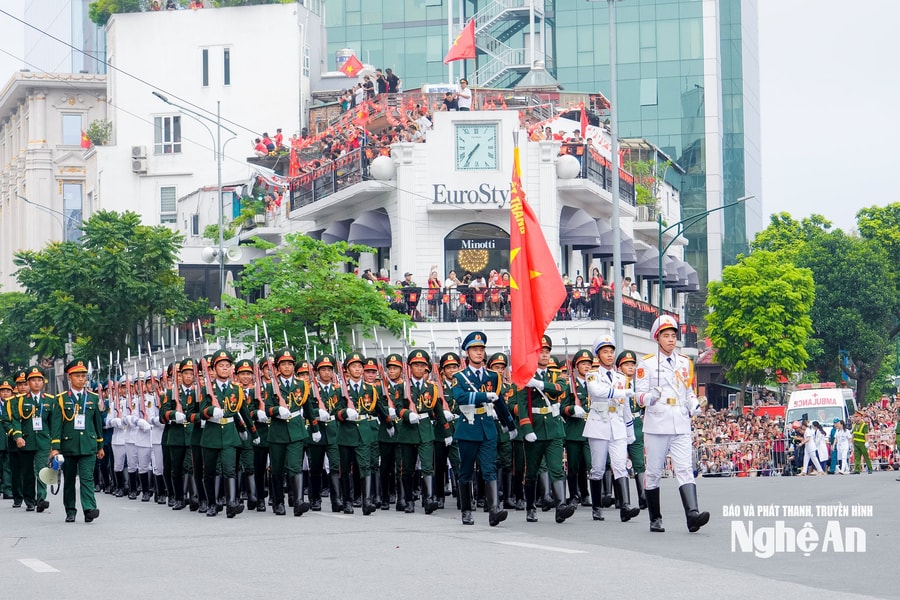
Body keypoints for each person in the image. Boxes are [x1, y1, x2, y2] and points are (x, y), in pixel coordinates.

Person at [634, 315, 710, 533]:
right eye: (665, 336)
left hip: (679, 420)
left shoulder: (685, 362)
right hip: (657, 421)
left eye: (673, 335)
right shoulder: (647, 363)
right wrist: (650, 397)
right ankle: (655, 518)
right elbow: (638, 396)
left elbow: (687, 391)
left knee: (685, 469)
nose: (670, 340)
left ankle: (692, 515)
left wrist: (695, 404)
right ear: (657, 338)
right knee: (654, 472)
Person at [452, 331, 517, 526]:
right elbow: (460, 397)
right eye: (475, 349)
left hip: (487, 427)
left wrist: (509, 424)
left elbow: (499, 402)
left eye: (481, 349)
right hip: (468, 427)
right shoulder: (460, 377)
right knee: (465, 470)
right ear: (467, 353)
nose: (479, 353)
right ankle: (466, 511)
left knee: (490, 468)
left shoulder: (493, 376)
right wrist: (483, 396)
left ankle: (494, 510)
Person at [513, 335, 576, 524]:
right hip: (535, 428)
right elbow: (521, 403)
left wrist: (540, 384)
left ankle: (561, 507)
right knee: (531, 471)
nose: (545, 355)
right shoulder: (525, 375)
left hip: (554, 428)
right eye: (541, 351)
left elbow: (560, 388)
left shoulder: (556, 374)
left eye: (547, 351)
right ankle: (531, 507)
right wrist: (526, 427)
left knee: (557, 468)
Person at [584, 336, 640, 523]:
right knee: (598, 468)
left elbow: (625, 408)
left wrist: (630, 431)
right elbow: (596, 392)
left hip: (617, 425)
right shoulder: (592, 375)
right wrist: (621, 392)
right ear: (598, 355)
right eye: (605, 352)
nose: (609, 355)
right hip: (599, 424)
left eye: (611, 351)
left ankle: (625, 506)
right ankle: (597, 507)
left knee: (620, 466)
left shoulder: (620, 378)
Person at [200, 350, 258, 518]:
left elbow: (244, 413)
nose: (224, 369)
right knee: (210, 472)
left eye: (227, 366)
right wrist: (211, 410)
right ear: (214, 368)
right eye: (221, 366)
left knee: (229, 470)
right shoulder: (206, 389)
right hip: (211, 433)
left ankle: (231, 503)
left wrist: (253, 433)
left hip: (230, 435)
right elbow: (200, 412)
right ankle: (212, 503)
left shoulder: (236, 390)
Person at [264, 349, 320, 517]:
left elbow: (308, 408)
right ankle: (279, 503)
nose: (287, 367)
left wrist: (315, 428)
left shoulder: (302, 385)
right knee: (277, 469)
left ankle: (298, 502)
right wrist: (276, 410)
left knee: (295, 467)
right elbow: (267, 409)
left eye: (289, 364)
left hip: (296, 430)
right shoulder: (271, 385)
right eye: (283, 364)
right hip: (278, 432)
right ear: (278, 367)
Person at [49, 359, 105, 523]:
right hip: (68, 445)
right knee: (70, 480)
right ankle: (70, 510)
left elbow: (97, 424)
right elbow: (56, 426)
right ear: (70, 378)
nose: (81, 379)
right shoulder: (60, 399)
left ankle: (89, 509)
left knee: (87, 478)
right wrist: (55, 448)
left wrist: (100, 445)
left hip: (88, 445)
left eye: (83, 376)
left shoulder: (93, 398)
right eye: (78, 376)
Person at [395, 350, 450, 514]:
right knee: (408, 468)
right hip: (408, 430)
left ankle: (429, 499)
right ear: (410, 367)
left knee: (427, 466)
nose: (419, 369)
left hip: (425, 429)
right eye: (416, 365)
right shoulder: (402, 387)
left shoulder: (431, 388)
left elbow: (438, 411)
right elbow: (398, 407)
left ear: (426, 368)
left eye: (422, 366)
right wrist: (407, 414)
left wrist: (447, 432)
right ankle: (409, 500)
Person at [9, 367, 54, 512]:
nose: (36, 383)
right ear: (28, 383)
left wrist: (54, 443)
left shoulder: (49, 400)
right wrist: (18, 437)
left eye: (39, 380)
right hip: (26, 441)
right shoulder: (20, 400)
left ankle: (41, 498)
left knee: (42, 469)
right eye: (33, 380)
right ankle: (29, 500)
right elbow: (15, 420)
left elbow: (53, 423)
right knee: (27, 472)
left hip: (43, 440)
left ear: (43, 382)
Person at [160, 360, 196, 511]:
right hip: (176, 436)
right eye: (185, 374)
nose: (188, 377)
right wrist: (174, 414)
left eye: (191, 374)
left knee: (191, 467)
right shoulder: (171, 393)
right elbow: (163, 414)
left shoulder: (198, 392)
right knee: (176, 469)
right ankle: (179, 497)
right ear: (180, 375)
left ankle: (194, 497)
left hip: (192, 434)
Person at [560, 349, 593, 509]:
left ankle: (586, 493)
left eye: (588, 364)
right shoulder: (570, 386)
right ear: (576, 367)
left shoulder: (595, 384)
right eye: (583, 364)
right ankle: (574, 494)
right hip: (574, 431)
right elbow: (562, 408)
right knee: (573, 466)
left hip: (591, 429)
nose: (586, 367)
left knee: (589, 464)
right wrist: (572, 410)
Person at [618, 350, 647, 509]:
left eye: (632, 364)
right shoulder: (617, 383)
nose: (630, 367)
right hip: (620, 423)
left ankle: (643, 495)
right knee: (618, 462)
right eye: (626, 364)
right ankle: (621, 499)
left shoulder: (639, 384)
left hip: (636, 423)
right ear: (619, 367)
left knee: (638, 462)